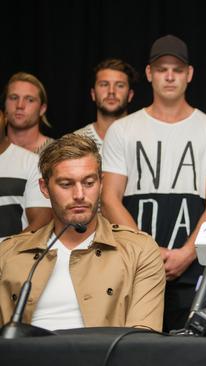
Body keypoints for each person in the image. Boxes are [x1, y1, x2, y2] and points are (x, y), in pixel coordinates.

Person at [101, 35, 206, 331]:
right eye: (162, 69)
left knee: (190, 351)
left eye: (177, 69)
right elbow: (109, 198)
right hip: (134, 265)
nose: (170, 76)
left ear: (189, 75)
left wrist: (188, 253)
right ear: (149, 74)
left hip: (192, 270)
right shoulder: (122, 130)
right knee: (134, 348)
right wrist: (147, 252)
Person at [0, 134, 165, 331]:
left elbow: (143, 341)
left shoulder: (138, 250)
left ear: (101, 183)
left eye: (89, 183)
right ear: (44, 188)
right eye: (66, 184)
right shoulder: (9, 254)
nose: (79, 195)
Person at [0, 109, 51, 240]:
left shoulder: (32, 163)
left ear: (5, 118)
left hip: (11, 256)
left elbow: (41, 221)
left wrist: (6, 251)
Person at [75, 58, 137, 152]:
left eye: (120, 85)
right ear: (93, 94)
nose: (111, 91)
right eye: (104, 84)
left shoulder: (142, 137)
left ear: (130, 95)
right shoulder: (76, 141)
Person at [3, 72, 54, 154]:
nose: (20, 105)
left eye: (30, 100)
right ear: (5, 105)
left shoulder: (56, 152)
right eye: (14, 98)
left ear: (42, 109)